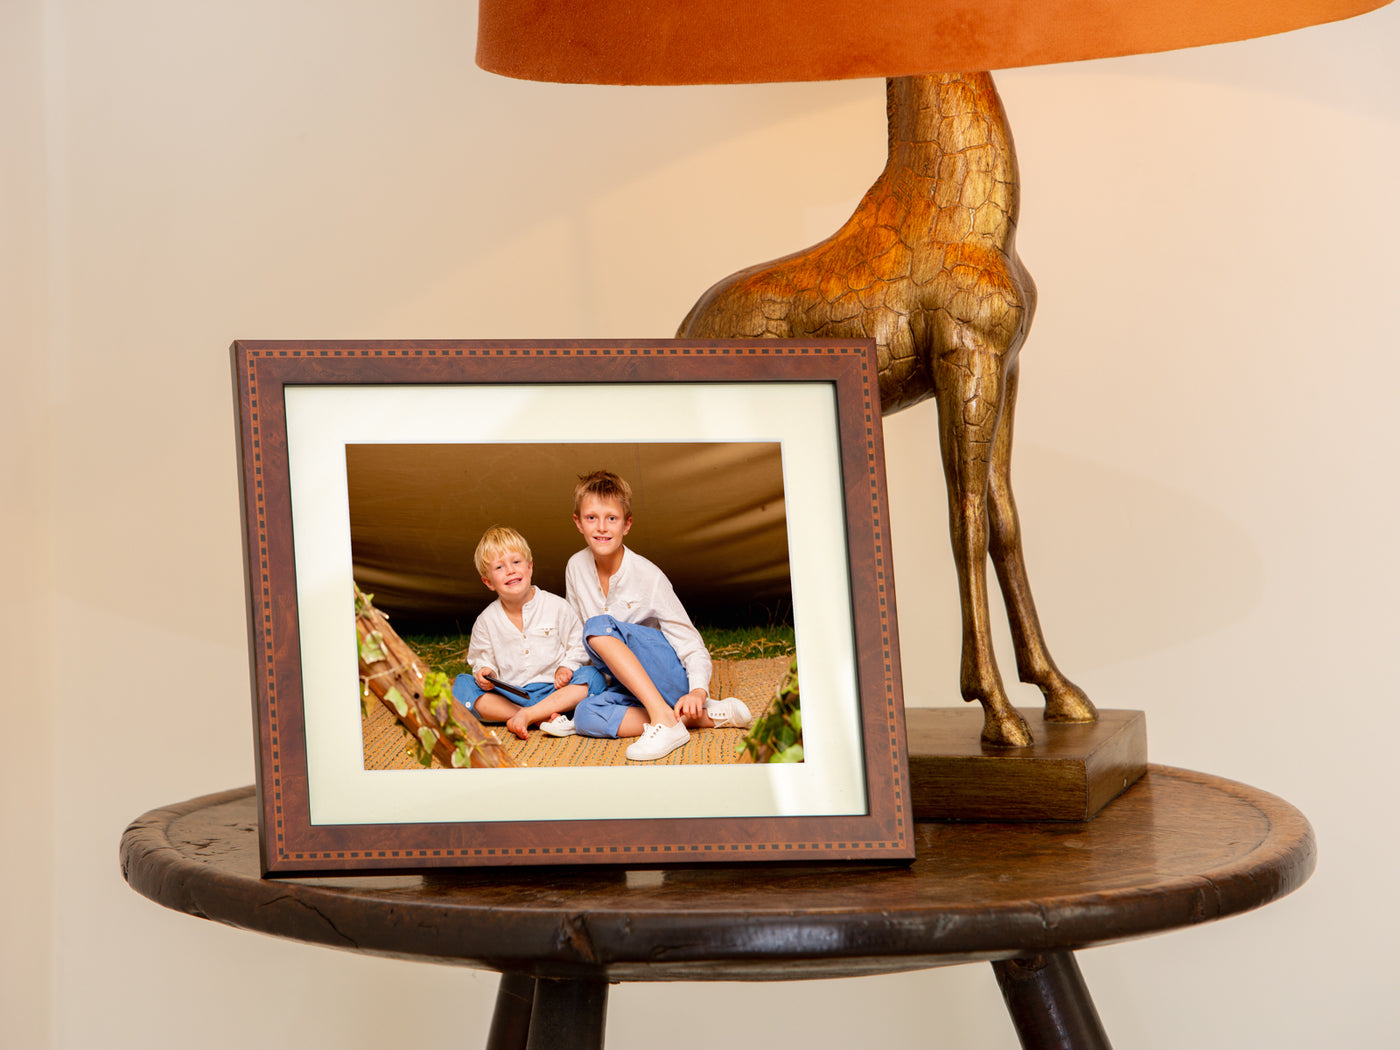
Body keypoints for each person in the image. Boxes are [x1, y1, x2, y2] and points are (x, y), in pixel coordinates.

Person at [554, 469, 751, 761]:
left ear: (627, 524)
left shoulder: (649, 576)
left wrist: (697, 690)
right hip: (625, 685)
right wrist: (567, 666)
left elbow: (690, 642)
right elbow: (577, 632)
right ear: (578, 522)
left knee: (599, 625)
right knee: (584, 715)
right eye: (591, 517)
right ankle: (700, 718)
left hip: (667, 676)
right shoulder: (575, 567)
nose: (602, 527)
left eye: (612, 518)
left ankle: (665, 719)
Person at [451, 525, 605, 740]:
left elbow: (578, 645)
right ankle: (531, 716)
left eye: (516, 562)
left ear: (530, 567)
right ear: (488, 582)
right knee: (461, 686)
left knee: (594, 677)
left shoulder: (557, 607)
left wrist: (566, 667)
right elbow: (481, 659)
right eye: (499, 567)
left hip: (555, 691)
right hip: (511, 695)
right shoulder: (486, 621)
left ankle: (532, 714)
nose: (511, 570)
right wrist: (486, 672)